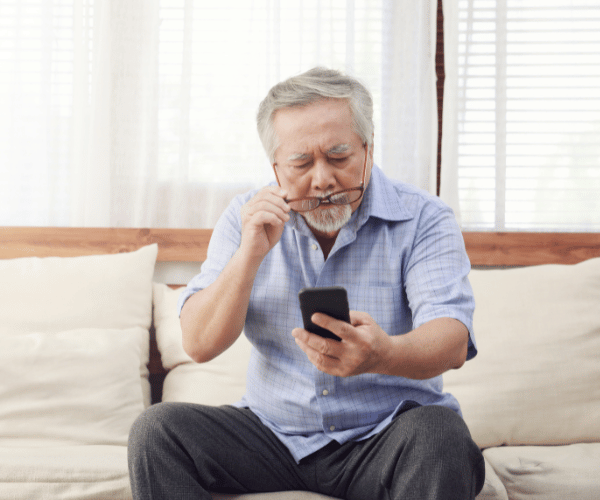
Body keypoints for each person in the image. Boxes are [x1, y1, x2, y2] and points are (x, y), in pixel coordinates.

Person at [128, 67, 485, 500]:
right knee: (158, 431)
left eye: (339, 156)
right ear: (275, 168)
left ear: (368, 151)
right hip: (272, 438)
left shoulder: (425, 218)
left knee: (441, 434)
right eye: (301, 163)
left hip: (384, 436)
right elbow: (200, 343)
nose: (322, 179)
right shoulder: (245, 218)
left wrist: (382, 354)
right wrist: (250, 254)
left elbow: (450, 340)